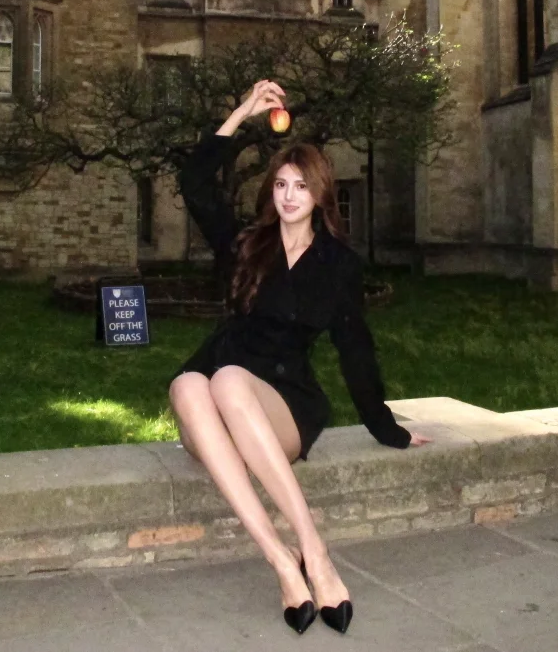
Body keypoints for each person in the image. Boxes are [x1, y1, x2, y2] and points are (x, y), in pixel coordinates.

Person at [168, 80, 433, 636]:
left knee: (228, 381)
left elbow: (355, 348)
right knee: (190, 383)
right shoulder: (246, 244)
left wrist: (387, 427)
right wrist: (242, 111)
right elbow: (194, 182)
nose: (290, 196)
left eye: (302, 186)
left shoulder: (338, 264)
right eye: (281, 185)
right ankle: (283, 561)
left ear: (320, 195)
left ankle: (315, 551)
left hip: (283, 403)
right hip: (217, 400)